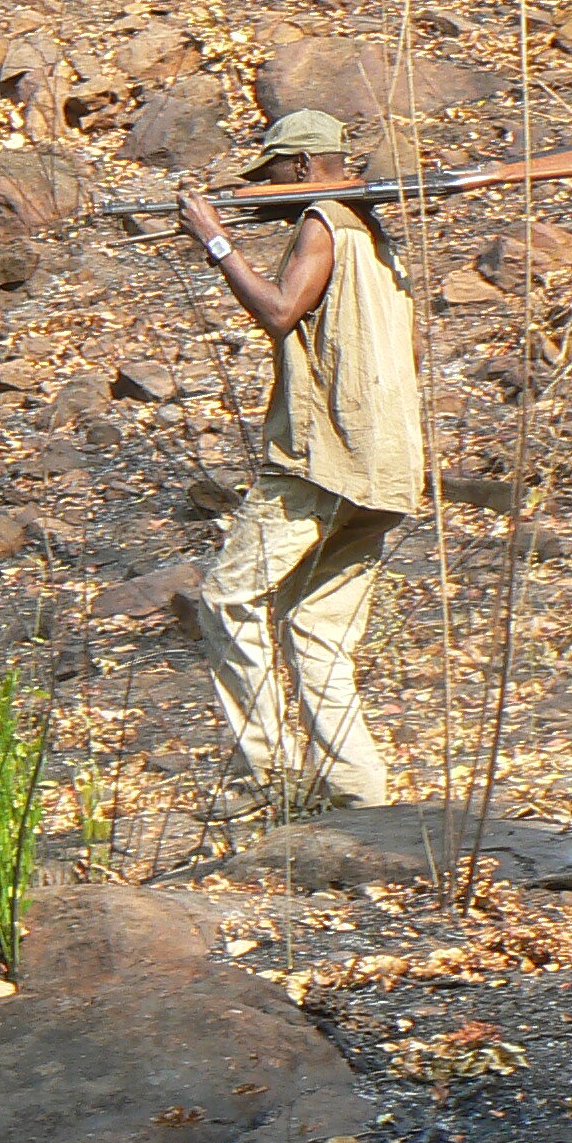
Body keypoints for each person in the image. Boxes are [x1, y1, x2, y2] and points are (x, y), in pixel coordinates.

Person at [175, 109, 424, 820]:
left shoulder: (322, 219)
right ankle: (359, 797)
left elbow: (281, 312)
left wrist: (217, 242)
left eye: (276, 174)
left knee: (227, 599)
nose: (272, 188)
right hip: (387, 464)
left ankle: (271, 776)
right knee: (313, 626)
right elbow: (409, 353)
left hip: (323, 461)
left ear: (308, 166)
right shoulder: (376, 237)